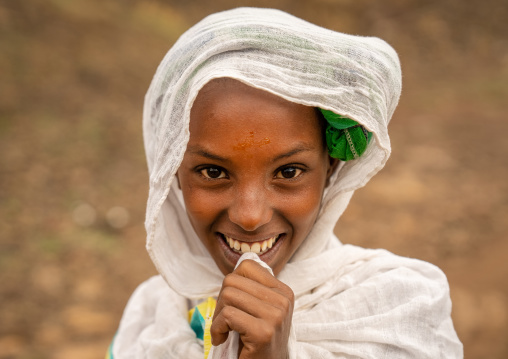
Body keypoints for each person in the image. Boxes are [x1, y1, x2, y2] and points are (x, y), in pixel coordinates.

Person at [108, 7, 463, 359]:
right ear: (172, 173)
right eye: (213, 173)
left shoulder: (399, 311)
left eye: (289, 172)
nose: (250, 216)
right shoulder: (149, 319)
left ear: (331, 168)